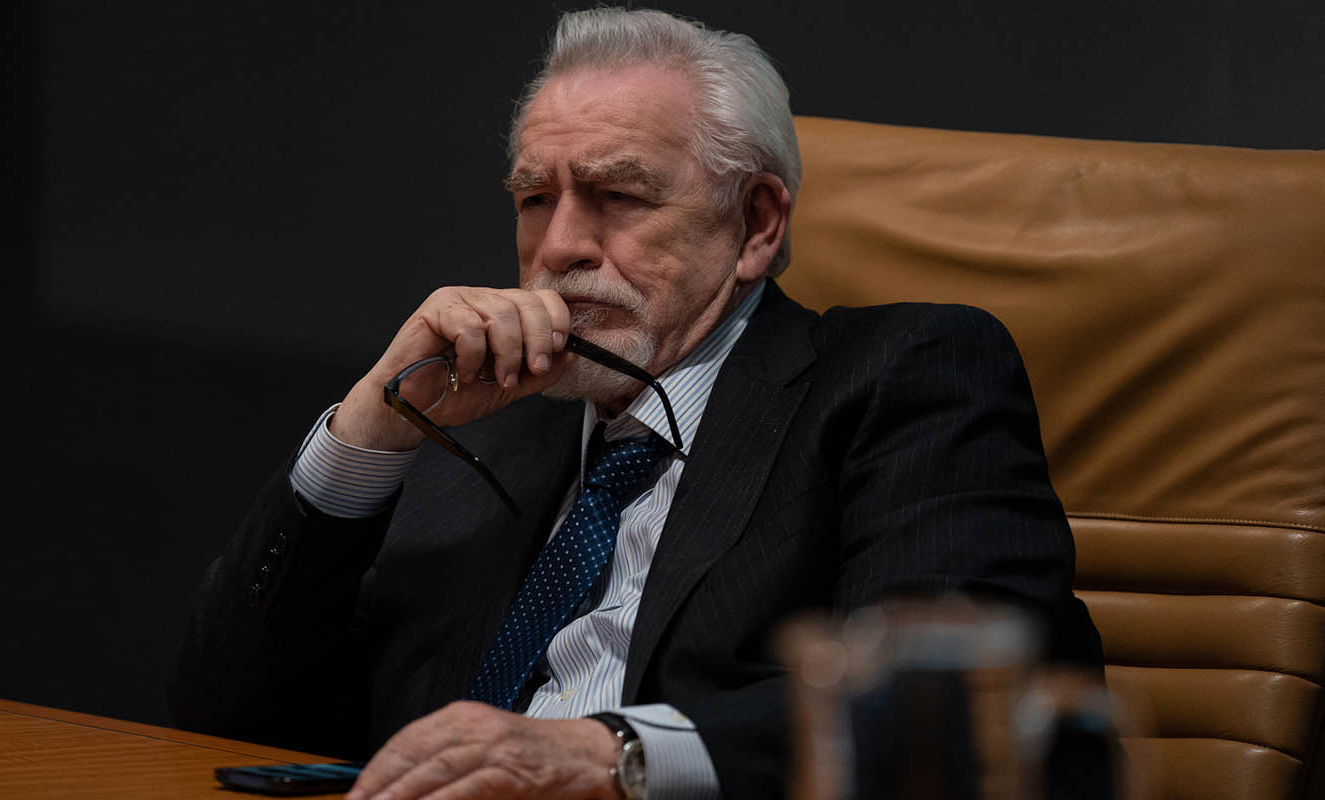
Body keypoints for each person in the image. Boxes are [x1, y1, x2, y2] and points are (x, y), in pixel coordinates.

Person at [170, 8, 1102, 799]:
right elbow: (224, 714)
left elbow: (943, 707)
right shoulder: (487, 422)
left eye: (618, 195)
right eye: (535, 198)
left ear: (756, 223)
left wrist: (608, 754)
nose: (562, 245)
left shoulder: (901, 375)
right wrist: (370, 426)